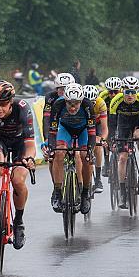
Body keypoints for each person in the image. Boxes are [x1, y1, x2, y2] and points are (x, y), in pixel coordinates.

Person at [0, 81, 36, 250]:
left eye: (3, 105)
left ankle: (18, 222)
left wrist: (29, 158)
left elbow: (30, 144)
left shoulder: (23, 108)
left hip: (20, 142)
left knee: (17, 180)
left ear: (11, 102)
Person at [48, 84, 97, 214]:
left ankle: (85, 193)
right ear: (65, 101)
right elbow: (52, 131)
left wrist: (90, 150)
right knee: (59, 153)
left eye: (76, 104)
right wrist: (51, 148)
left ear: (81, 101)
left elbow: (92, 132)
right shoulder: (58, 105)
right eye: (70, 104)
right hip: (65, 129)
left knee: (85, 156)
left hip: (83, 130)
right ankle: (58, 192)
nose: (73, 107)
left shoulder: (88, 106)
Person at [108, 76, 139, 208]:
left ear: (137, 92)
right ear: (122, 91)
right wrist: (112, 138)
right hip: (123, 124)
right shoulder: (116, 101)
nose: (130, 95)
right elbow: (112, 123)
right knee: (122, 158)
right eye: (127, 92)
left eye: (133, 92)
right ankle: (122, 192)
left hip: (138, 121)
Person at [41, 72, 76, 191]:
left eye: (66, 89)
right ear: (56, 89)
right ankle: (57, 188)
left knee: (79, 153)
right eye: (60, 89)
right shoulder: (50, 97)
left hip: (75, 125)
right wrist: (47, 138)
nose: (63, 92)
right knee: (53, 156)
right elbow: (46, 118)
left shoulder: (77, 95)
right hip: (57, 126)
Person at [83, 84, 108, 193]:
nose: (90, 105)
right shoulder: (78, 104)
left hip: (96, 124)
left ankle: (98, 179)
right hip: (83, 124)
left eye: (93, 102)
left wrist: (102, 139)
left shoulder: (101, 103)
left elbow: (104, 128)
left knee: (97, 144)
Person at [98, 77, 122, 178]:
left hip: (121, 118)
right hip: (107, 118)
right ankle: (107, 162)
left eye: (115, 92)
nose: (112, 95)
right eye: (110, 92)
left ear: (120, 90)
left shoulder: (124, 96)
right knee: (106, 138)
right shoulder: (103, 96)